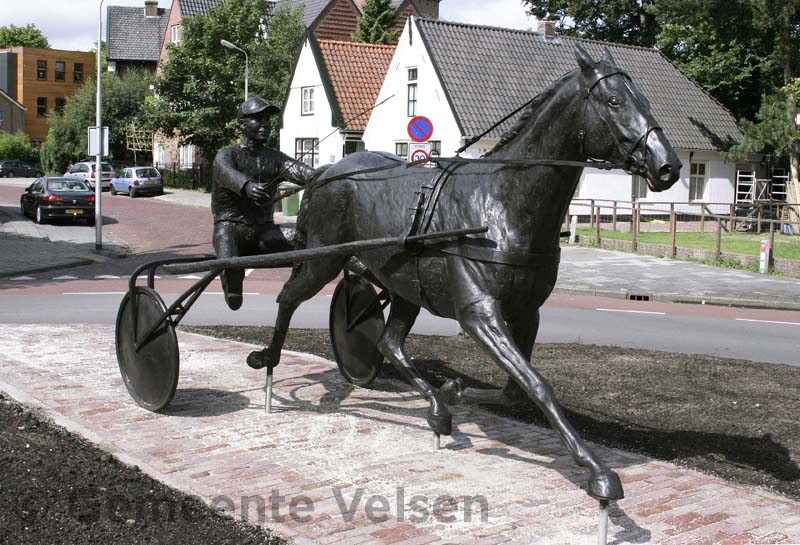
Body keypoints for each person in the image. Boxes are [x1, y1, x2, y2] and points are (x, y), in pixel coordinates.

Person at [212, 97, 316, 310]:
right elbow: (226, 173)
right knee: (231, 269)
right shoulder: (227, 155)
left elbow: (302, 172)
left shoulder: (275, 158)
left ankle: (296, 287)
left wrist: (328, 175)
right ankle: (232, 286)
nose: (265, 124)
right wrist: (247, 186)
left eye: (267, 119)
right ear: (241, 124)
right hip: (231, 229)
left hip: (264, 232)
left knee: (306, 240)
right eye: (258, 119)